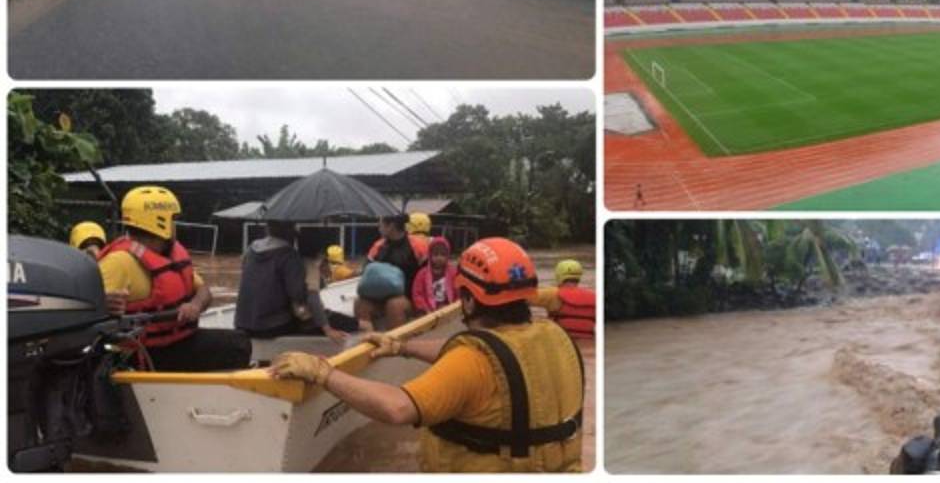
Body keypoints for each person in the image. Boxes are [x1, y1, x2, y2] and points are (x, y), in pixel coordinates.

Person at [271, 237, 584, 473]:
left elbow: (398, 408)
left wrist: (323, 373)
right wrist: (402, 347)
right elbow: (494, 357)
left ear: (470, 302)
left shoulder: (472, 362)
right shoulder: (556, 336)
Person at [98, 185, 250, 372]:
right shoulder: (118, 262)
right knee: (237, 347)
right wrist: (102, 306)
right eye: (173, 220)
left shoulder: (169, 254)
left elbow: (204, 291)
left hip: (177, 341)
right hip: (145, 354)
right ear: (159, 221)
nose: (174, 226)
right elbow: (89, 317)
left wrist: (195, 305)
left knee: (239, 341)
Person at [235, 221, 357, 344]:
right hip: (271, 327)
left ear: (268, 229)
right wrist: (327, 328)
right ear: (290, 232)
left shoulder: (250, 250)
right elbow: (299, 295)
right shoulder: (289, 256)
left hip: (242, 324)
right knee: (318, 321)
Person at [355, 214, 423, 331]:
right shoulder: (378, 246)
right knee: (360, 302)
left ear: (391, 226)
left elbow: (428, 274)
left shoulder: (417, 245)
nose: (378, 227)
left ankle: (392, 345)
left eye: (380, 224)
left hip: (408, 299)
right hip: (380, 298)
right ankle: (367, 343)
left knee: (394, 304)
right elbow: (366, 273)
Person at [534, 259, 595, 342]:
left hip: (561, 344)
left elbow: (522, 298)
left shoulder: (552, 294)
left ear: (558, 275)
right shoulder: (594, 298)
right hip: (588, 343)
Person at [410, 236, 458, 315]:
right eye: (436, 254)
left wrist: (453, 308)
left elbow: (458, 291)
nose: (439, 258)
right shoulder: (422, 273)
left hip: (449, 310)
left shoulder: (453, 272)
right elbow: (417, 294)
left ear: (448, 256)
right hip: (427, 311)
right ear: (430, 255)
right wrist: (425, 309)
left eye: (443, 255)